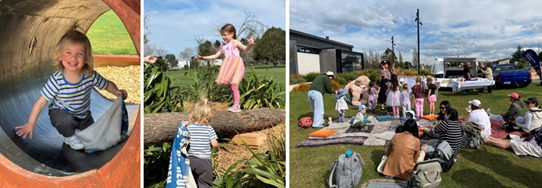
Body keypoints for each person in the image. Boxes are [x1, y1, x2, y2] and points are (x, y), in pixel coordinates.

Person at [15, 27, 128, 150]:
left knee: (94, 137)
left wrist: (116, 91)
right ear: (60, 56)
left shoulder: (89, 75)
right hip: (60, 113)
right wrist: (31, 123)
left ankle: (78, 132)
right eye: (68, 53)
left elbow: (106, 84)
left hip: (84, 116)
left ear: (86, 59)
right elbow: (41, 101)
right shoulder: (57, 80)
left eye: (79, 54)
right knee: (65, 120)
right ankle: (69, 137)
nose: (73, 58)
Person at [196, 23, 255, 113]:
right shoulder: (224, 47)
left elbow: (245, 48)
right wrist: (203, 57)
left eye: (225, 35)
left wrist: (249, 44)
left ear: (232, 34)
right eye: (222, 35)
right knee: (231, 86)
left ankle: (237, 105)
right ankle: (235, 103)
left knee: (234, 84)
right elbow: (215, 56)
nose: (223, 37)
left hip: (236, 65)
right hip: (227, 67)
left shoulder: (235, 43)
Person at [186, 99, 219, 188]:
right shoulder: (209, 128)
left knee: (191, 183)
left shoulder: (189, 127)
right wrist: (217, 149)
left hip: (191, 159)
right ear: (209, 115)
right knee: (205, 183)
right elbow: (214, 144)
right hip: (204, 161)